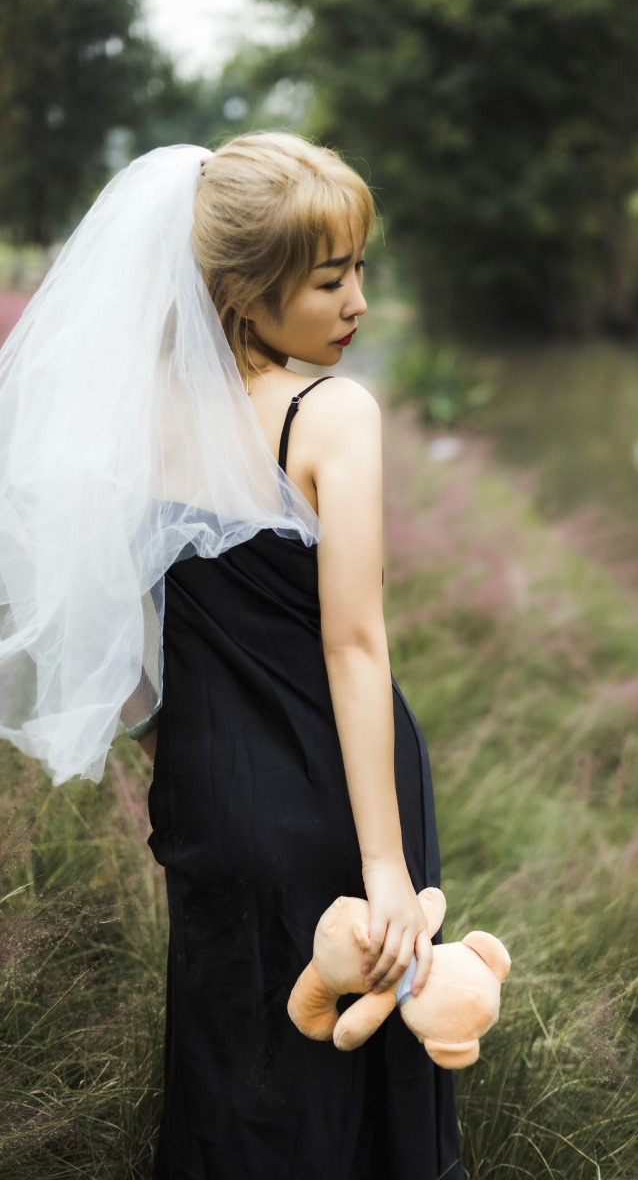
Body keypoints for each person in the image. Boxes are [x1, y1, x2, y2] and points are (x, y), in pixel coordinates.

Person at [0, 132, 462, 1179]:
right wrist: (385, 866)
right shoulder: (329, 414)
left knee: (231, 1056)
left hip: (206, 791)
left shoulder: (139, 416)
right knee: (355, 1051)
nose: (357, 303)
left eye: (359, 270)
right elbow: (353, 643)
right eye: (330, 280)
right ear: (246, 295)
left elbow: (111, 627)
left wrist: (172, 750)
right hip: (336, 792)